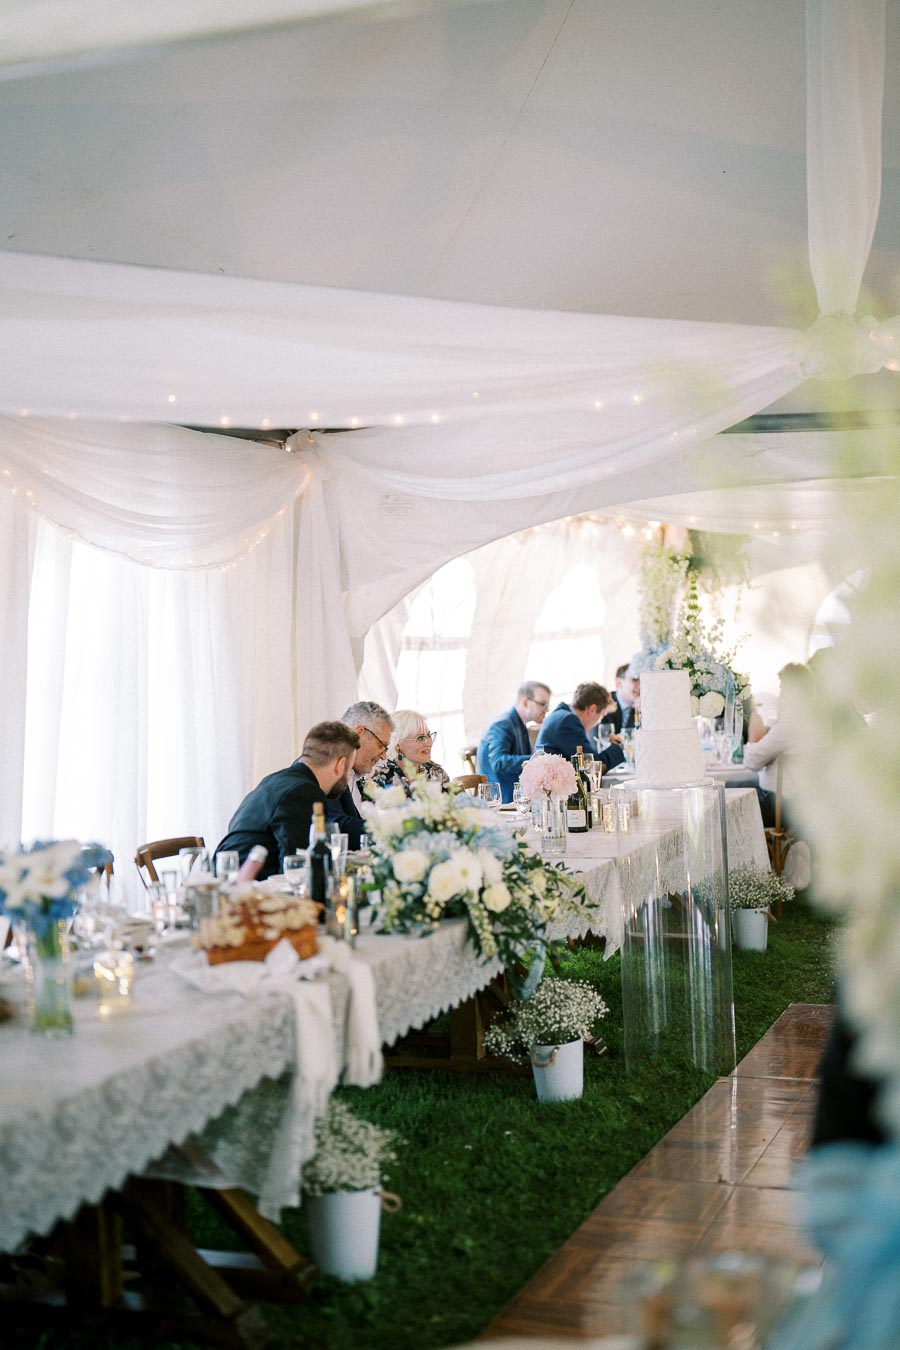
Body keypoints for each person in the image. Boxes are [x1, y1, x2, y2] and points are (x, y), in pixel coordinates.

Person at [216, 721, 360, 879]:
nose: (347, 778)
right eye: (350, 768)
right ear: (341, 765)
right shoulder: (305, 793)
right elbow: (297, 870)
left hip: (227, 880)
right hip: (245, 891)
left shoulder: (276, 780)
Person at [742, 662, 812, 828]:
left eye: (783, 689)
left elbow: (751, 762)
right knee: (735, 788)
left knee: (724, 794)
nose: (780, 695)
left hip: (780, 806)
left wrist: (753, 737)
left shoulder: (791, 723)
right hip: (805, 804)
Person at [326, 700, 393, 847]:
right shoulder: (326, 768)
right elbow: (337, 826)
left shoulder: (355, 776)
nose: (383, 756)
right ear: (358, 733)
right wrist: (393, 829)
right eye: (381, 745)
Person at [477, 680, 552, 803]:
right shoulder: (502, 724)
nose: (546, 710)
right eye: (542, 704)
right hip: (502, 798)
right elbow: (498, 762)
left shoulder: (518, 724)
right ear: (525, 702)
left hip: (515, 795)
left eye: (547, 706)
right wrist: (536, 760)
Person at [536, 681, 625, 770]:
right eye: (601, 716)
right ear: (592, 710)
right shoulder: (568, 722)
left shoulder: (561, 715)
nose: (599, 722)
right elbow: (592, 766)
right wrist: (617, 747)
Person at [369, 709, 450, 797]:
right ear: (398, 745)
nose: (429, 743)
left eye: (429, 735)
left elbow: (458, 806)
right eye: (420, 738)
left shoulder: (435, 772)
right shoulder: (379, 777)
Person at [599, 662, 641, 732]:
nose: (640, 686)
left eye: (642, 680)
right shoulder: (602, 703)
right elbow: (600, 739)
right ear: (619, 683)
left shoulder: (644, 708)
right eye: (635, 680)